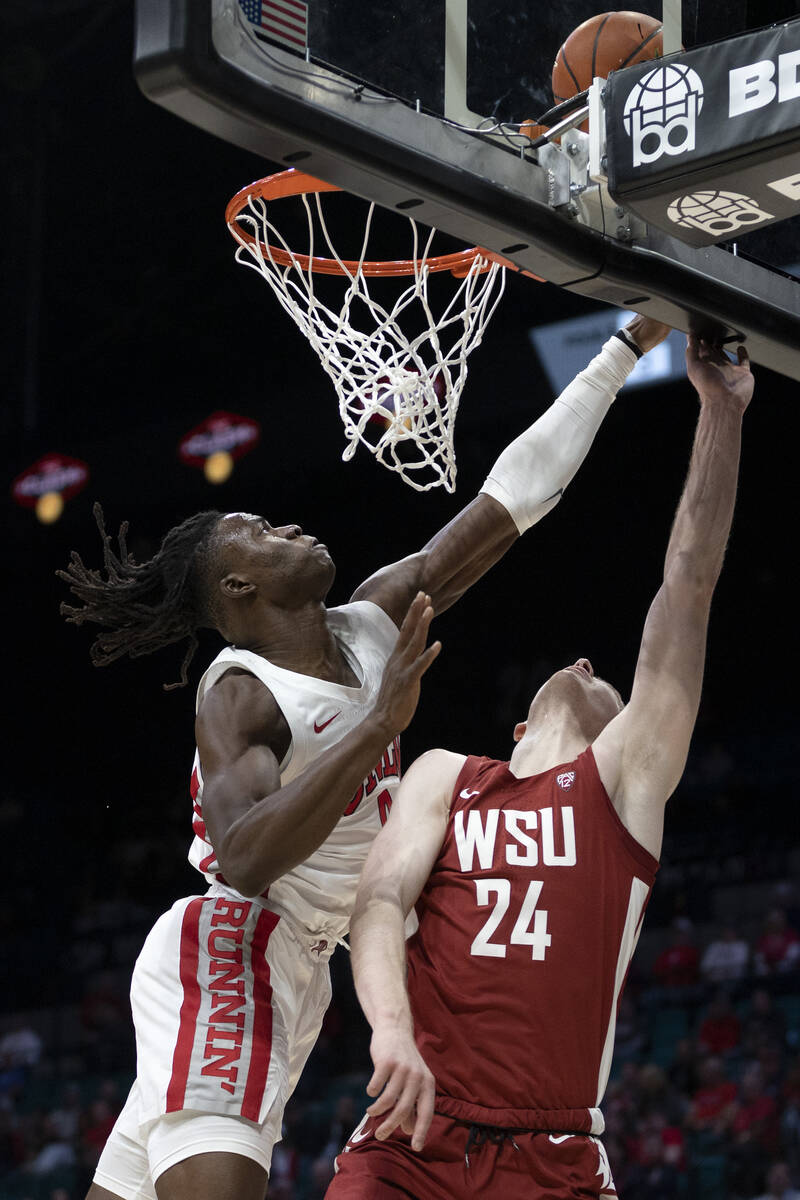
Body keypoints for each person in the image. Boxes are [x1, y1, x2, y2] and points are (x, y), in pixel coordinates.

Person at [59, 316, 668, 1200]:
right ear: (240, 588)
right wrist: (376, 729)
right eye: (262, 531)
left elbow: (511, 502)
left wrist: (618, 355)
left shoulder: (374, 620)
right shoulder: (245, 692)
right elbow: (244, 857)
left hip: (312, 967)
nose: (291, 526)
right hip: (236, 947)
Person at [328, 335, 753, 1199]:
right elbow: (376, 904)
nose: (591, 666)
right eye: (582, 668)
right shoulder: (449, 773)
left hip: (553, 1152)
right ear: (519, 726)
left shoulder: (624, 781)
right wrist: (390, 1033)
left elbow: (689, 585)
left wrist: (720, 412)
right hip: (414, 1133)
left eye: (609, 678)